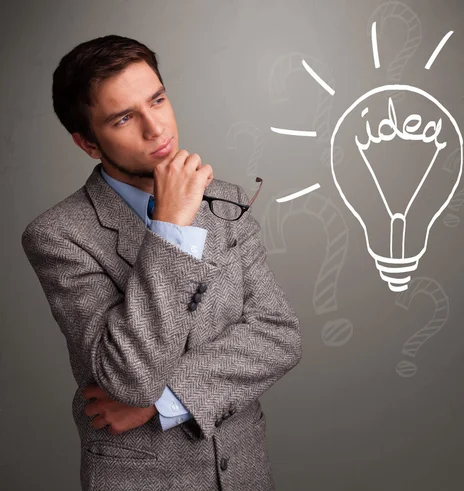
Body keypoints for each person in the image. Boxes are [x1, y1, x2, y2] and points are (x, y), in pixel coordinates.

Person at [21, 34, 302, 491]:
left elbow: (278, 334)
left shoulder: (225, 200)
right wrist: (171, 229)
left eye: (158, 100)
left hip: (245, 469)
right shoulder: (58, 236)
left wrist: (164, 401)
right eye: (124, 118)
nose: (157, 130)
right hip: (144, 477)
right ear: (88, 143)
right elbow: (127, 378)